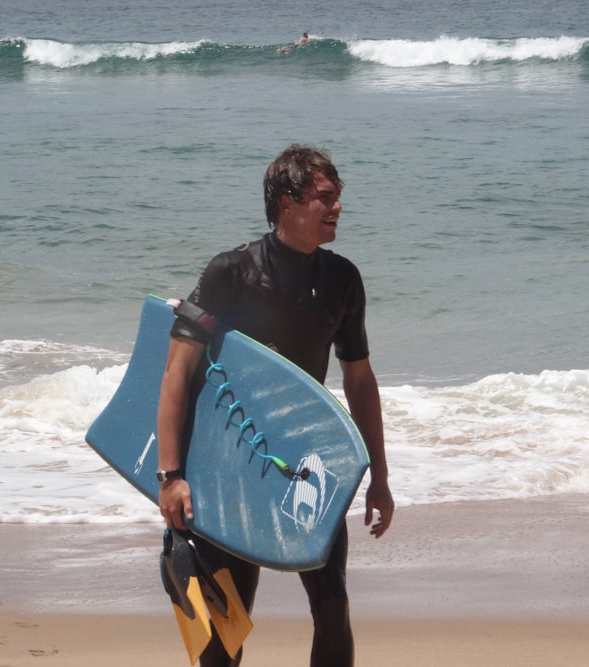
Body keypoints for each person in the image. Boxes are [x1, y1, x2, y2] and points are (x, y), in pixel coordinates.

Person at [156, 144, 395, 666]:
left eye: (338, 197)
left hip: (306, 466)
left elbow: (359, 379)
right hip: (233, 461)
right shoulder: (231, 273)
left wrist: (378, 476)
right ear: (286, 202)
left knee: (333, 607)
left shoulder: (342, 281)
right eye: (324, 197)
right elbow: (177, 371)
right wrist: (171, 475)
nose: (336, 208)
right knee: (228, 620)